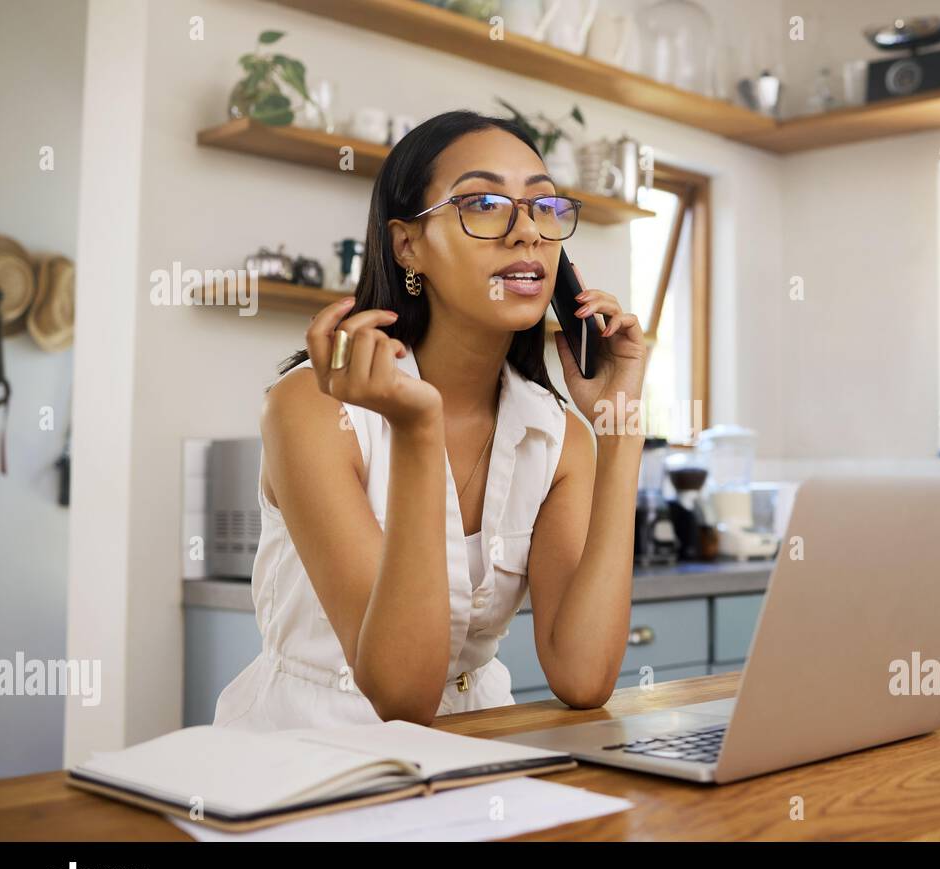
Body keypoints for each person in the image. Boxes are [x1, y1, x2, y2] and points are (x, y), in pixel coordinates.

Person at [213, 110, 647, 730]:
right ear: (407, 243)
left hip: (478, 741)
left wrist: (619, 424)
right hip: (310, 752)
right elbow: (402, 696)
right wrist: (418, 432)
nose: (527, 232)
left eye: (544, 207)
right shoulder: (312, 408)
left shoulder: (558, 437)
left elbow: (583, 677)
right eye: (485, 204)